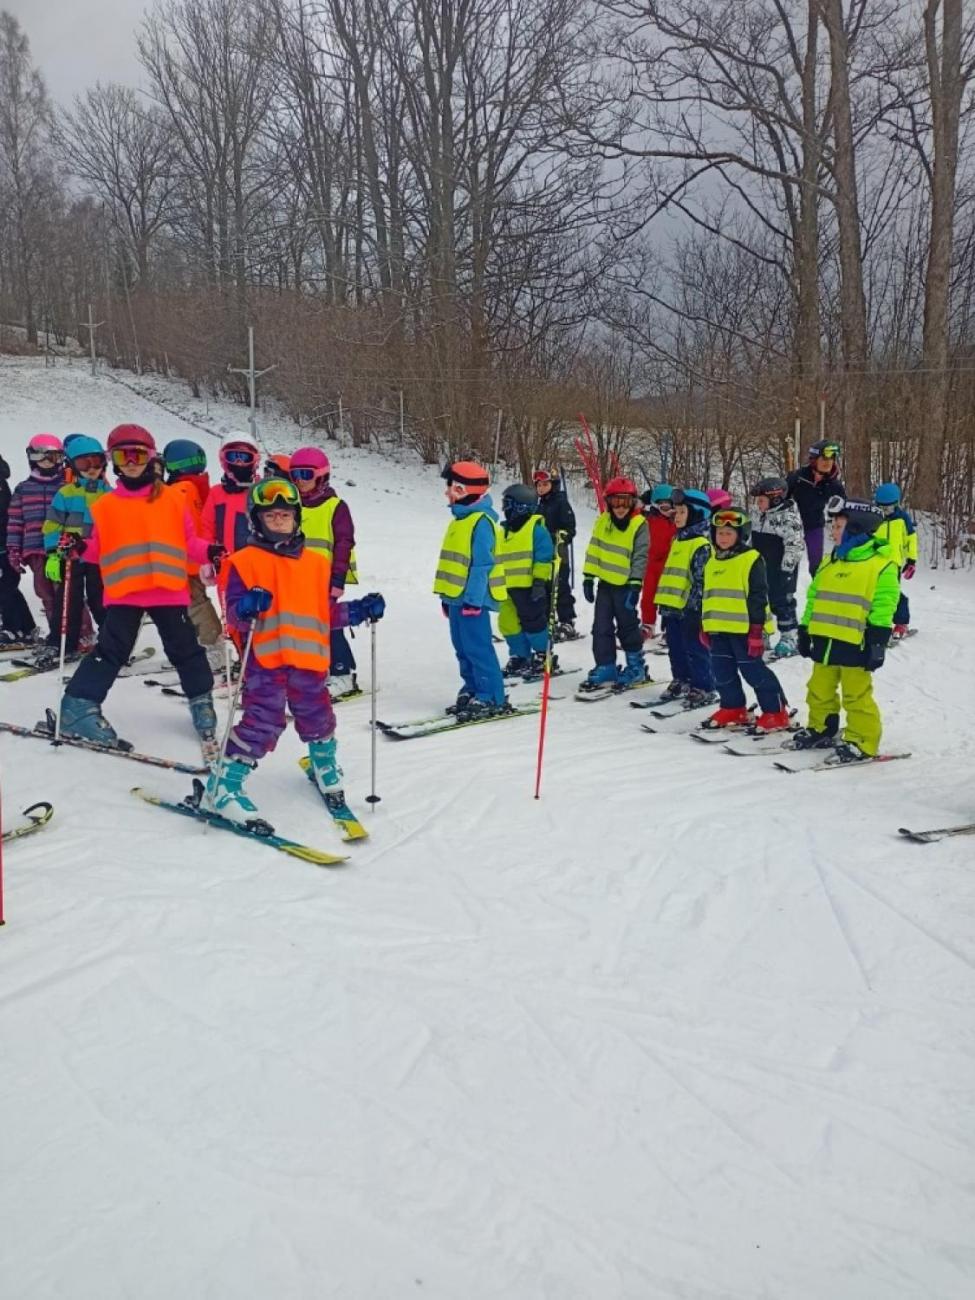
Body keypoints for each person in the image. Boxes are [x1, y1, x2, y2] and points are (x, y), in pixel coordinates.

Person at [203, 477, 385, 821]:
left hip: (310, 662)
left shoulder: (317, 562)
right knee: (263, 722)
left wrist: (358, 610)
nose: (279, 522)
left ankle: (323, 764)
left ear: (297, 518)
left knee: (319, 717)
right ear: (257, 520)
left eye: (285, 516)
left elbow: (323, 613)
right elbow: (235, 617)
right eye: (270, 517)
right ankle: (223, 784)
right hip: (267, 661)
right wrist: (246, 608)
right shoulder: (244, 562)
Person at [58, 424, 223, 757]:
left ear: (151, 458)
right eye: (122, 455)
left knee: (186, 649)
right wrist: (78, 547)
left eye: (139, 454)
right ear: (113, 461)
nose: (131, 461)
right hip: (125, 593)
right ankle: (78, 707)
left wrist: (210, 552)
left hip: (167, 590)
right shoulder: (106, 506)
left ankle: (201, 700)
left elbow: (189, 543)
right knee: (110, 651)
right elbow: (99, 550)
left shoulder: (174, 500)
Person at [793, 497, 899, 762]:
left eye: (838, 526)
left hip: (856, 643)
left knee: (856, 696)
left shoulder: (881, 565)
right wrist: (805, 629)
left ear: (856, 529)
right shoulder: (831, 562)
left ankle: (862, 740)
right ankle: (821, 727)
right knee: (818, 689)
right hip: (825, 640)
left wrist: (878, 642)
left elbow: (884, 605)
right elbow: (814, 597)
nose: (833, 532)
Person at [701, 507, 789, 731]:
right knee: (722, 672)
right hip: (718, 629)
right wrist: (704, 625)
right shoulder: (711, 562)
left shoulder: (750, 559)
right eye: (719, 533)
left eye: (729, 533)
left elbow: (758, 596)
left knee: (754, 672)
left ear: (741, 535)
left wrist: (757, 631)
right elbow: (708, 596)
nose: (723, 538)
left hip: (746, 630)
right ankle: (733, 707)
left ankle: (775, 711)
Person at [433, 460, 508, 719]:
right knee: (461, 647)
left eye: (455, 488)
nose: (448, 493)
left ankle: (492, 695)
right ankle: (473, 688)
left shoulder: (481, 522)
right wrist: (447, 597)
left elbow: (481, 565)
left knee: (477, 647)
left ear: (470, 491)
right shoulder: (459, 521)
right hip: (456, 598)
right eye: (449, 487)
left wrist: (474, 600)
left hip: (473, 600)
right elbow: (455, 563)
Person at [289, 446, 360, 697]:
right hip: (296, 579)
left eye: (305, 474)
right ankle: (314, 670)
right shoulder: (291, 506)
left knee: (329, 624)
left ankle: (343, 673)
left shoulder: (335, 506)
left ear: (321, 476)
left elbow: (344, 543)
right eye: (294, 475)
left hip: (326, 579)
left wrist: (338, 578)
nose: (299, 481)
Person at [35, 435, 109, 668]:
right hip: (72, 557)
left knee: (102, 599)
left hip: (100, 558)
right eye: (83, 464)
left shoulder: (110, 495)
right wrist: (54, 553)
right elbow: (52, 525)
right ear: (72, 465)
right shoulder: (65, 494)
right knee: (67, 600)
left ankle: (112, 642)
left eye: (96, 462)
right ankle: (62, 642)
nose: (91, 469)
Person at [578, 476, 649, 691]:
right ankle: (606, 665)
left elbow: (640, 556)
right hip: (606, 585)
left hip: (626, 586)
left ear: (632, 503)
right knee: (601, 627)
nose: (620, 508)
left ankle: (636, 666)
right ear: (609, 502)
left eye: (625, 502)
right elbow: (594, 549)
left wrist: (636, 584)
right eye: (615, 502)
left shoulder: (639, 524)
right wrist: (589, 577)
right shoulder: (603, 521)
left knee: (627, 627)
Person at [164, 439, 225, 666]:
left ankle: (212, 645)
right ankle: (200, 644)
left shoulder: (179, 490)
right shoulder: (198, 485)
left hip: (184, 559)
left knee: (195, 604)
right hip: (197, 556)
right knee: (192, 604)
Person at [654, 487, 716, 708]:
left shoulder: (701, 545)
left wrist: (696, 609)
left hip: (690, 610)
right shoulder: (678, 540)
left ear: (697, 513)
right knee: (676, 648)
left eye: (681, 512)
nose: (676, 516)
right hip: (672, 608)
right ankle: (682, 679)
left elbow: (702, 580)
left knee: (695, 649)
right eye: (676, 512)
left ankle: (704, 685)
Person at [7, 434, 66, 638]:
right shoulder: (24, 489)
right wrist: (14, 549)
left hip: (61, 549)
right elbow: (15, 521)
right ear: (31, 458)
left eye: (53, 457)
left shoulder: (66, 486)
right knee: (45, 595)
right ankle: (56, 634)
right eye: (40, 456)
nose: (47, 462)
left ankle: (80, 633)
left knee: (65, 594)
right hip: (35, 550)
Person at [497, 483, 555, 678]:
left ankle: (542, 654)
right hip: (505, 588)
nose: (505, 509)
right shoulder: (501, 532)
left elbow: (544, 558)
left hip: (529, 588)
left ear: (521, 507)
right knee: (507, 623)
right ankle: (520, 655)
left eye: (508, 504)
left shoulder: (536, 531)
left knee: (533, 623)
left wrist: (539, 581)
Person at [749, 476, 804, 657]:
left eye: (762, 501)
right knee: (759, 601)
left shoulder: (788, 518)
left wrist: (787, 569)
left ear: (776, 499)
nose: (759, 505)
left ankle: (789, 636)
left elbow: (795, 544)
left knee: (781, 602)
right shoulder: (758, 516)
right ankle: (762, 632)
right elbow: (750, 539)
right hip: (760, 568)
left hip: (780, 569)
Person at [787, 439, 846, 574]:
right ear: (814, 460)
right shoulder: (798, 477)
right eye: (824, 459)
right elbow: (781, 499)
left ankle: (818, 589)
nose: (828, 463)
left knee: (816, 565)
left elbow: (843, 507)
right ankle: (786, 593)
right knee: (789, 563)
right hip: (792, 526)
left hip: (814, 526)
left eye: (831, 459)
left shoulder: (834, 485)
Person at [533, 469, 577, 639]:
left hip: (558, 552)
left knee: (560, 587)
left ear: (553, 485)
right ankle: (547, 620)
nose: (541, 488)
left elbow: (570, 526)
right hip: (541, 554)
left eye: (545, 484)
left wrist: (562, 536)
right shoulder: (539, 505)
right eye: (539, 485)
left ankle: (567, 621)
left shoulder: (560, 502)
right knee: (544, 587)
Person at [200, 432, 260, 557]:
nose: (239, 463)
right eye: (233, 456)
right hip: (224, 565)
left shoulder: (261, 492)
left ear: (254, 460)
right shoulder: (216, 493)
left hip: (254, 566)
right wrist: (209, 557)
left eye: (244, 458)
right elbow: (206, 529)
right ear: (224, 460)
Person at [0, 452, 37, 645]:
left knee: (6, 587)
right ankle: (27, 627)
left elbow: (8, 516)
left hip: (6, 544)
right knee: (7, 588)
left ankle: (13, 628)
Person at [873, 482, 918, 638]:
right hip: (874, 562)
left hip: (893, 564)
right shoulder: (874, 517)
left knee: (893, 594)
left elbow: (910, 539)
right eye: (882, 508)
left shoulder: (902, 519)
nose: (885, 512)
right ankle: (872, 622)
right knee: (872, 592)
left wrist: (911, 560)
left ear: (896, 504)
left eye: (889, 508)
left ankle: (900, 623)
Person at [638, 483, 677, 640]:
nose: (667, 511)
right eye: (662, 507)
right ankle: (648, 624)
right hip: (650, 562)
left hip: (670, 564)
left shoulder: (677, 521)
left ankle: (670, 628)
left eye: (669, 507)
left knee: (669, 597)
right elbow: (631, 512)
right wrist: (642, 501)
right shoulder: (648, 518)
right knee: (648, 595)